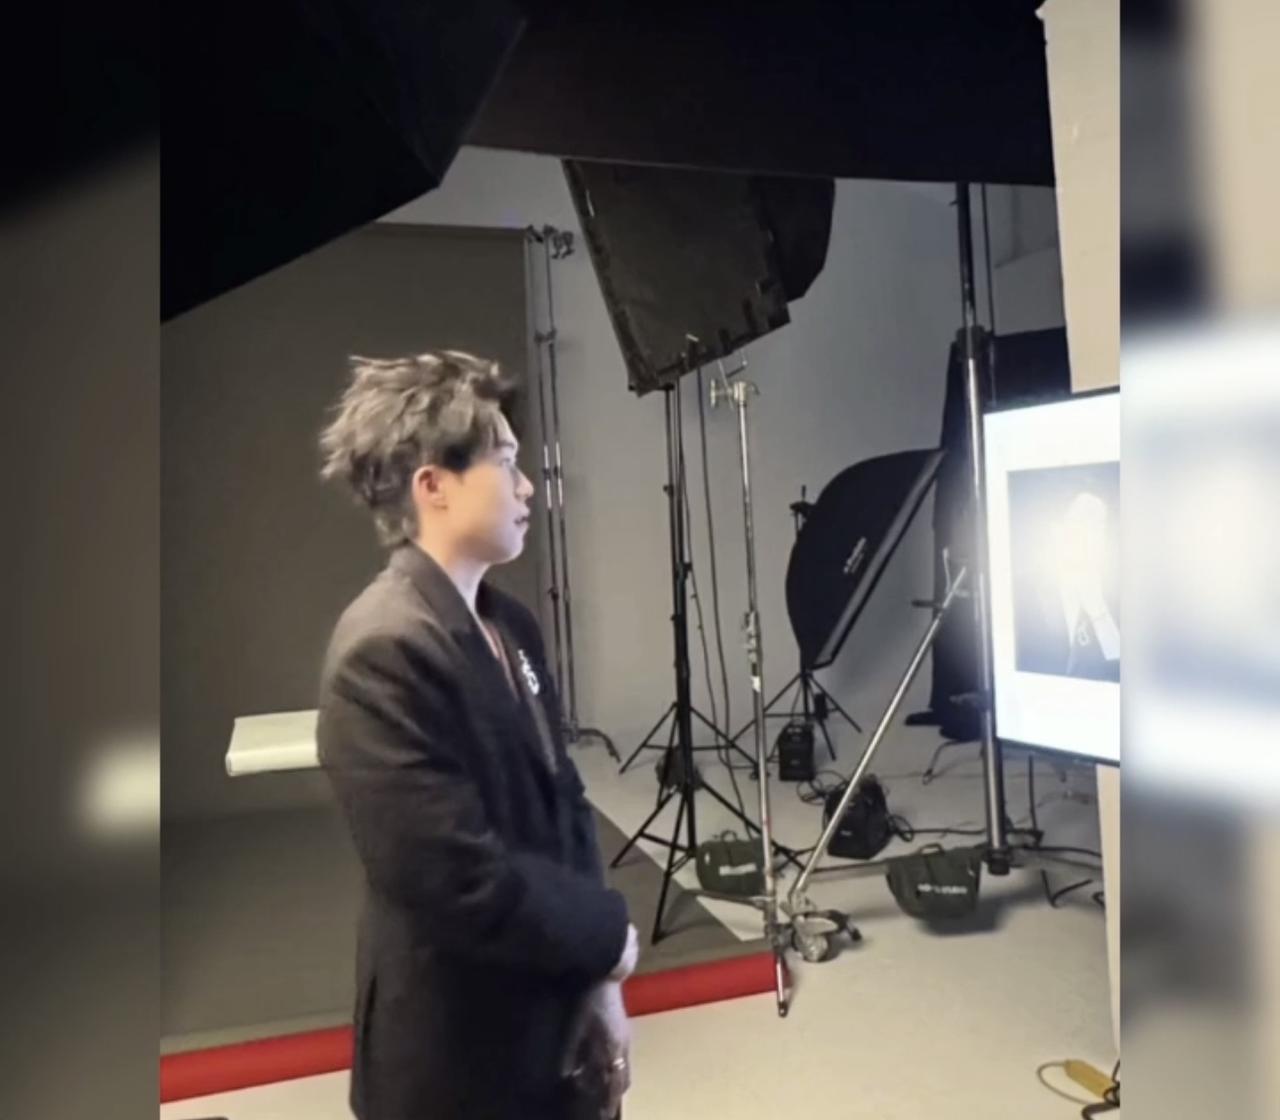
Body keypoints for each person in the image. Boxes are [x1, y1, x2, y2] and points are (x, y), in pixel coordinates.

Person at [316, 351, 637, 1120]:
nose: (527, 488)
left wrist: (599, 986)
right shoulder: (382, 649)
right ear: (434, 485)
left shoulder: (510, 622)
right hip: (454, 1057)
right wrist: (608, 937)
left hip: (552, 1021)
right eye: (507, 462)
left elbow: (564, 804)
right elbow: (457, 882)